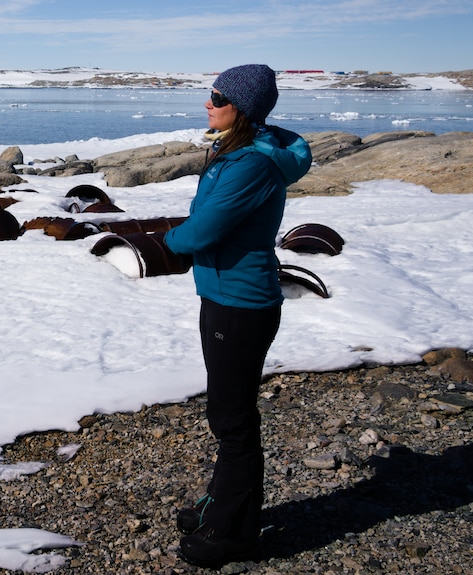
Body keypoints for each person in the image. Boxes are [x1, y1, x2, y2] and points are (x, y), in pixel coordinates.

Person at [163, 64, 312, 567]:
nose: (208, 103)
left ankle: (234, 532)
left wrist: (168, 241)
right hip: (228, 295)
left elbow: (204, 232)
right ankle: (220, 503)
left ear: (242, 109)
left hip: (240, 303)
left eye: (218, 97)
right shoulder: (240, 148)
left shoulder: (250, 163)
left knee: (233, 418)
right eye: (210, 94)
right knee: (227, 411)